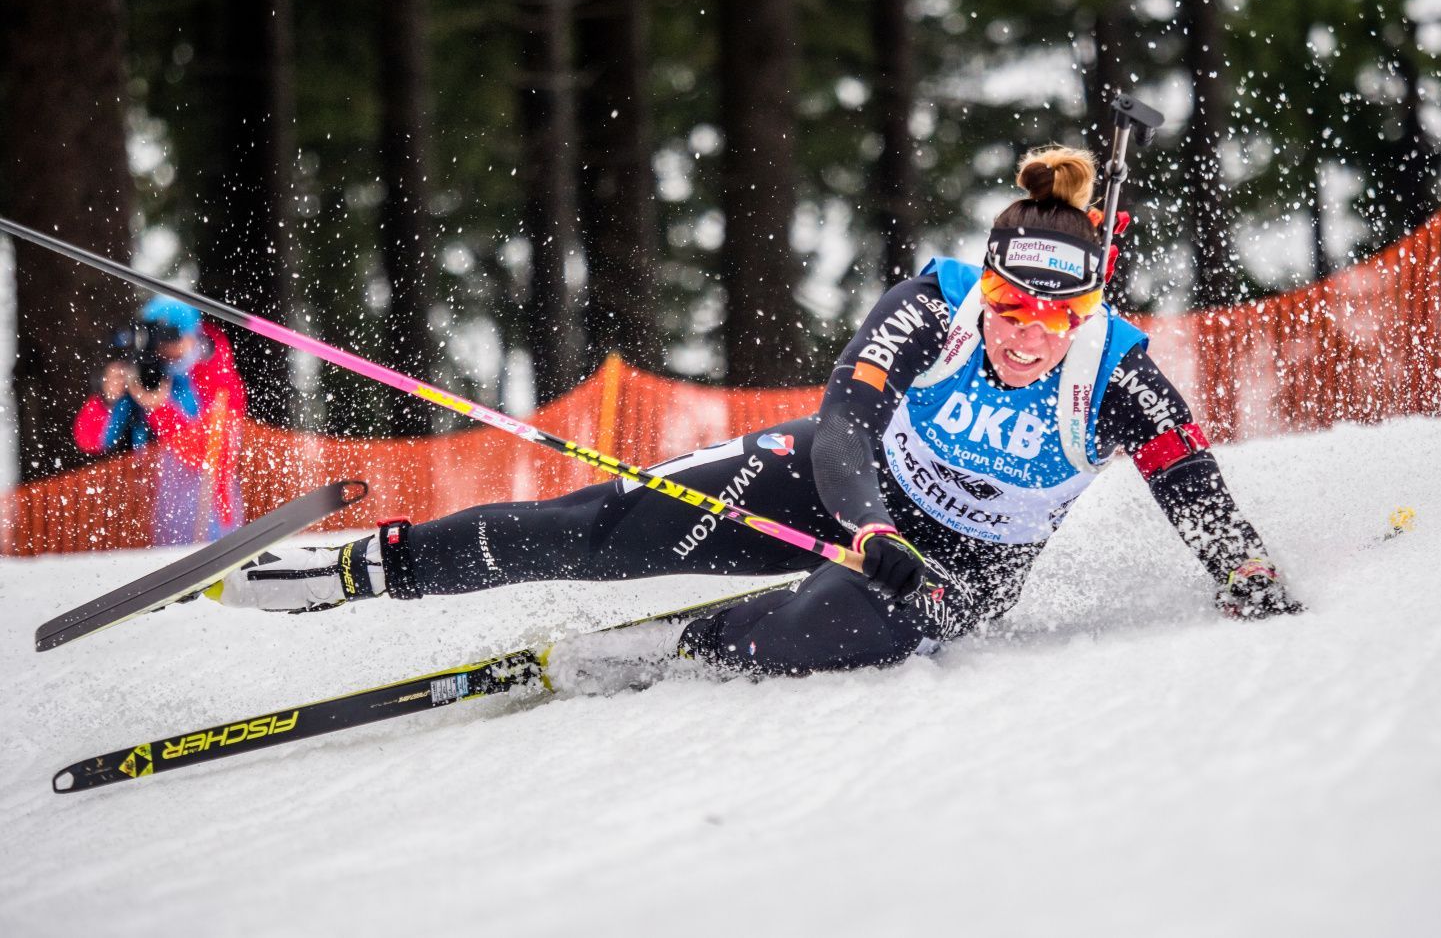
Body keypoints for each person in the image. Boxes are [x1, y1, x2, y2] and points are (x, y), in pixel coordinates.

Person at [215, 146, 1299, 683]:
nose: (1023, 334)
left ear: (1090, 312)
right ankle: (363, 568)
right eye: (1009, 306)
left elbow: (1192, 485)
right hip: (848, 490)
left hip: (960, 564)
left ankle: (674, 649)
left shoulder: (1122, 376)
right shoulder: (933, 303)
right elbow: (841, 427)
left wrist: (1243, 570)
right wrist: (867, 521)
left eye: (1052, 317)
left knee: (830, 628)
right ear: (986, 283)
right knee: (600, 526)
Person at [75, 296, 247, 545]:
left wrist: (159, 408)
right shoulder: (141, 372)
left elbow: (208, 455)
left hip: (211, 522)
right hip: (148, 523)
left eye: (171, 336)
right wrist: (107, 400)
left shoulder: (215, 374)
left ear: (192, 336)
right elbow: (90, 439)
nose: (163, 348)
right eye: (155, 337)